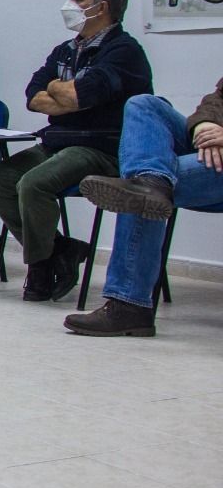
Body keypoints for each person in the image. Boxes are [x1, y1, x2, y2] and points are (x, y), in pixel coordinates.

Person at [0, 0, 152, 300]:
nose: (68, 5)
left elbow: (74, 97)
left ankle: (40, 267)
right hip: (57, 141)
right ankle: (60, 249)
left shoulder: (124, 51)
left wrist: (60, 91)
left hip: (102, 147)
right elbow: (33, 96)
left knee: (33, 184)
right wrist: (67, 94)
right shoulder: (65, 51)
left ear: (101, 7)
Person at [65, 80, 223, 336]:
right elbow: (216, 100)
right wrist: (207, 125)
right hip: (211, 145)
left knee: (135, 188)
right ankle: (151, 181)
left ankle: (129, 304)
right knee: (145, 104)